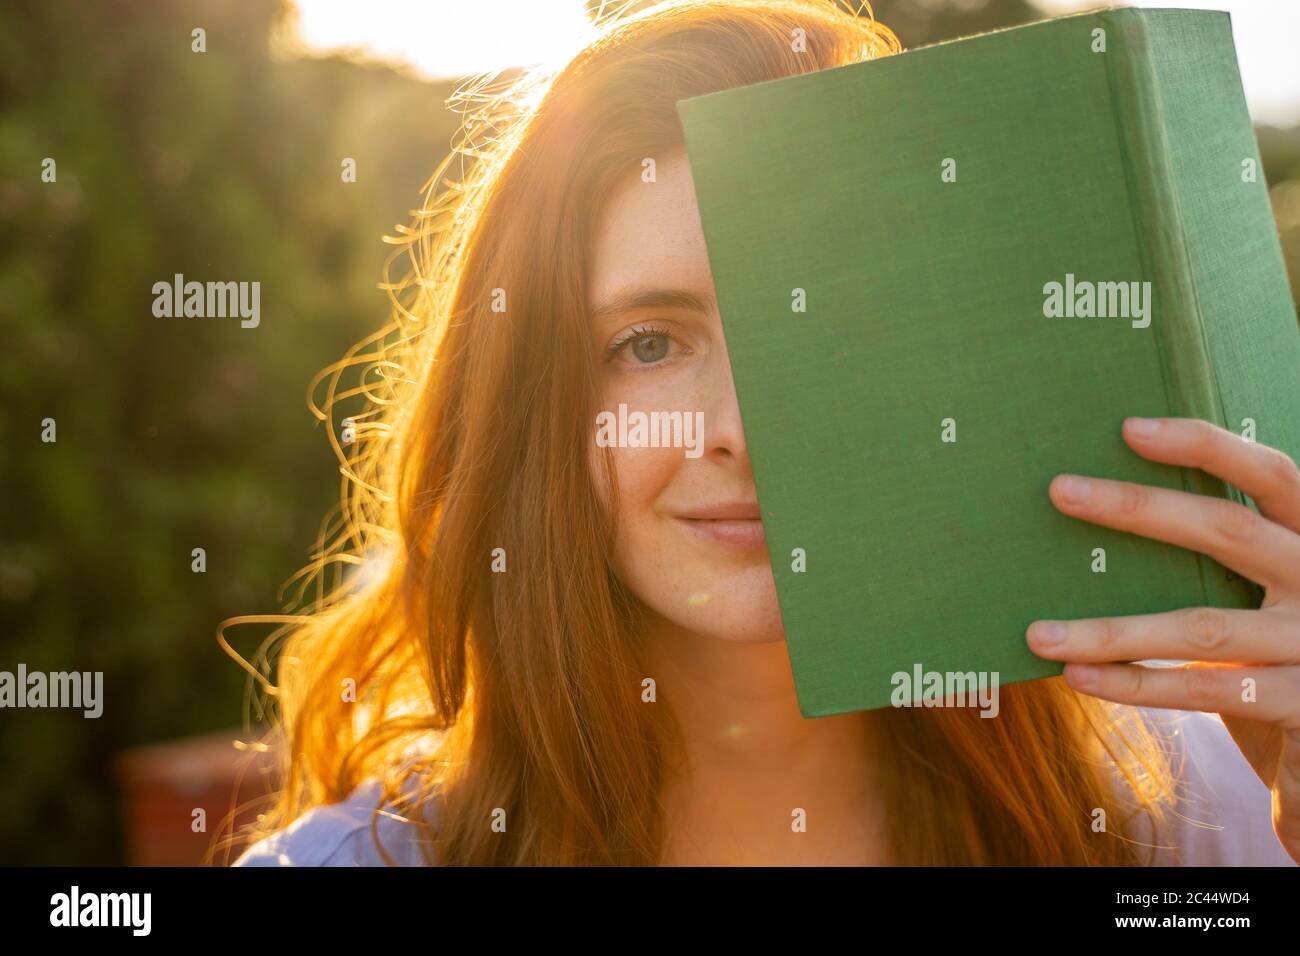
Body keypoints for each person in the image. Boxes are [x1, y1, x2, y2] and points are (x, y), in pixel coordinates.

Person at [228, 0, 1300, 867]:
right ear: (530, 404)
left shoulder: (1187, 807)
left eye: (817, 327)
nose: (743, 430)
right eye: (648, 343)